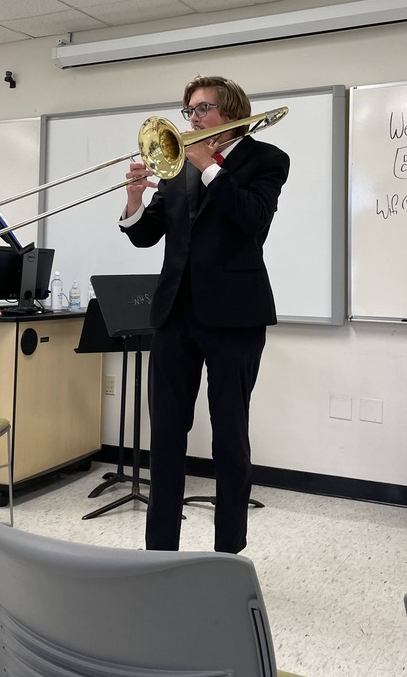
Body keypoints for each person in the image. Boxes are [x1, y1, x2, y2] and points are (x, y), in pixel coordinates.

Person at [119, 75, 289, 553]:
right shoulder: (176, 165)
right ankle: (158, 554)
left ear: (231, 112)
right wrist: (134, 201)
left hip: (236, 316)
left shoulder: (267, 160)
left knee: (230, 438)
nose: (191, 119)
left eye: (202, 109)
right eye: (188, 111)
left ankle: (227, 555)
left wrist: (210, 166)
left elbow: (253, 221)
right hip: (174, 315)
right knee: (167, 437)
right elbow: (147, 234)